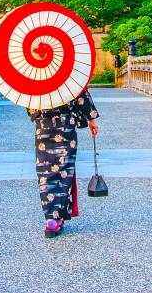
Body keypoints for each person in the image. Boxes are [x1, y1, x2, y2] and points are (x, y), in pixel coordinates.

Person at [27, 88, 100, 238]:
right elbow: (81, 95)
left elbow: (30, 107)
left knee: (45, 172)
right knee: (64, 170)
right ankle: (57, 216)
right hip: (66, 127)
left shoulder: (35, 80)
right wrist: (91, 119)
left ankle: (50, 219)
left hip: (43, 128)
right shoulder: (67, 75)